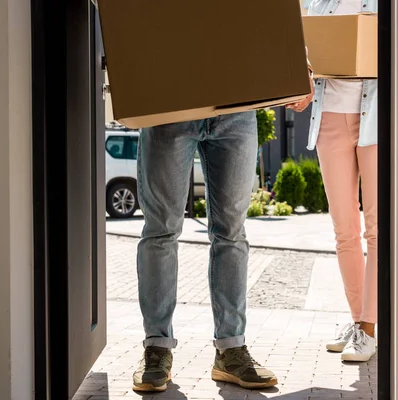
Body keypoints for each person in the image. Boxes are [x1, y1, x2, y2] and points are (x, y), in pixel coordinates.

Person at [90, 1, 316, 391]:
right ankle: (157, 347)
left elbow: (268, 12)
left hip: (238, 105)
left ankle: (231, 349)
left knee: (231, 231)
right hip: (168, 104)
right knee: (161, 229)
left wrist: (298, 66)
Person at [306, 0, 379, 363]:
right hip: (330, 119)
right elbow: (304, 59)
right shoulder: (317, 4)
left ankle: (368, 326)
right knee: (344, 230)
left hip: (376, 118)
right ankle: (358, 322)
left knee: (377, 229)